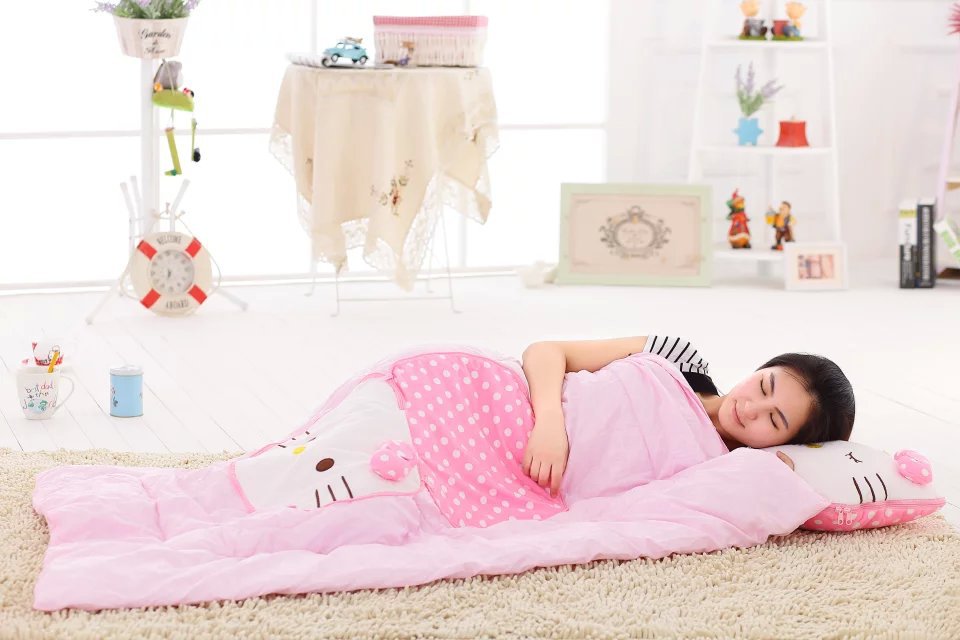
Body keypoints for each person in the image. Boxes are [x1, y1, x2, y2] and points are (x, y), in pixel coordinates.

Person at [520, 335, 856, 496]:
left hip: (533, 482)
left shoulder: (723, 474)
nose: (750, 408)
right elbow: (547, 351)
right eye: (763, 386)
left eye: (774, 420)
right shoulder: (680, 358)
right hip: (520, 401)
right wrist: (550, 422)